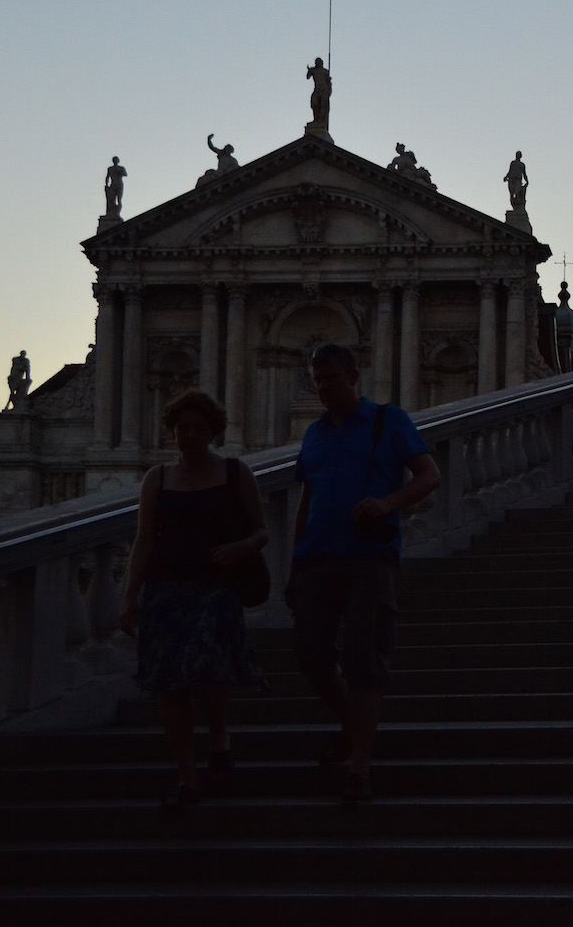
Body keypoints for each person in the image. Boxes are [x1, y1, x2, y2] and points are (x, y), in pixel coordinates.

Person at [286, 344, 441, 804]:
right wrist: (295, 565)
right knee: (310, 655)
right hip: (317, 557)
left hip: (369, 558)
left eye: (331, 378)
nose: (323, 388)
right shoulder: (314, 434)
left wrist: (388, 503)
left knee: (364, 661)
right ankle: (353, 728)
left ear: (354, 377)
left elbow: (428, 474)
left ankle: (359, 769)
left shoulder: (387, 420)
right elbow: (307, 500)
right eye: (317, 380)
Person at [119, 390, 269, 809]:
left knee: (207, 672)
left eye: (199, 428)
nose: (190, 435)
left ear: (213, 432)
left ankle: (218, 734)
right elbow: (144, 540)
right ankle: (187, 776)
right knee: (169, 685)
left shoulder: (237, 474)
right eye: (183, 428)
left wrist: (240, 549)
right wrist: (131, 595)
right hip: (166, 589)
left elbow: (262, 530)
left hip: (216, 588)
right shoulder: (158, 479)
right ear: (172, 431)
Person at [306, 57, 332, 127]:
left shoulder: (325, 71)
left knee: (323, 106)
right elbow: (307, 77)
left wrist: (329, 91)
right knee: (314, 104)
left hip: (324, 90)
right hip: (317, 89)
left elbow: (329, 82)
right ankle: (316, 119)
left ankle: (321, 121)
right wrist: (309, 70)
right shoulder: (314, 70)